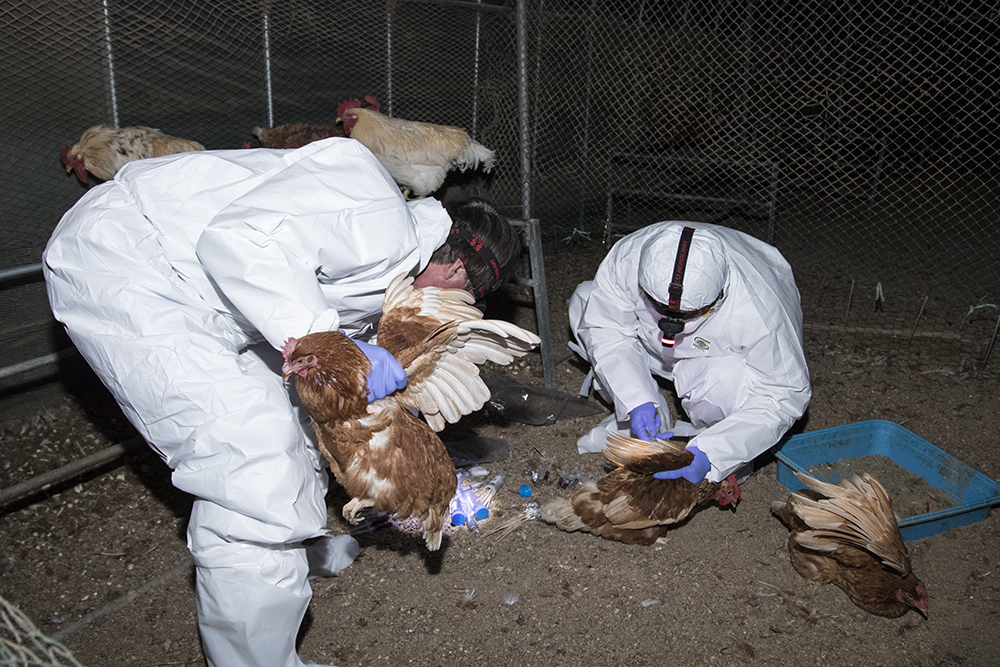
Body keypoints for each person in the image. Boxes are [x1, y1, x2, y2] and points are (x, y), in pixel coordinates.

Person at [42, 137, 520, 667]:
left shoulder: (397, 278)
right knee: (252, 457)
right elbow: (240, 241)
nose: (451, 307)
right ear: (456, 274)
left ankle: (291, 552)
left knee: (299, 417)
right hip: (130, 267)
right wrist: (337, 349)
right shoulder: (373, 209)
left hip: (212, 297)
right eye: (464, 297)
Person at [568, 221, 811, 485]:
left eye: (690, 315)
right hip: (648, 340)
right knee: (585, 300)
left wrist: (713, 452)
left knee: (727, 379)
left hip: (712, 357)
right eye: (659, 306)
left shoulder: (761, 310)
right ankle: (650, 412)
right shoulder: (629, 257)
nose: (672, 325)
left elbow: (782, 393)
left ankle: (716, 440)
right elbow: (608, 328)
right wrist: (635, 397)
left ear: (719, 298)